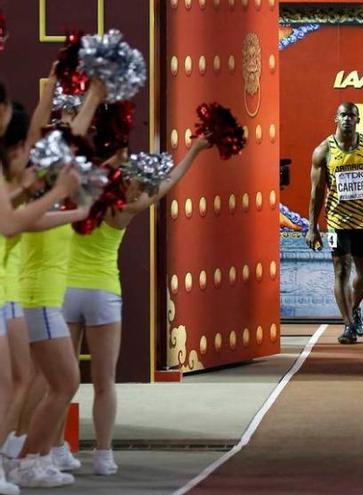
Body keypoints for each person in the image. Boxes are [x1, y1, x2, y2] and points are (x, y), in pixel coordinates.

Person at [58, 136, 211, 475]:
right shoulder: (128, 208)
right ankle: (102, 455)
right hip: (103, 294)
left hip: (65, 293)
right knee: (104, 381)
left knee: (61, 382)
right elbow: (170, 182)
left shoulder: (81, 195)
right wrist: (195, 151)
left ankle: (56, 449)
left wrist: (110, 159)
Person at [6, 80, 106, 488]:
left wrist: (95, 99)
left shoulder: (39, 192)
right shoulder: (23, 192)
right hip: (32, 296)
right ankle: (26, 458)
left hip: (37, 297)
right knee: (54, 382)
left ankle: (33, 456)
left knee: (38, 382)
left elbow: (70, 142)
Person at [307, 103, 363, 344]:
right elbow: (317, 191)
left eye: (352, 115)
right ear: (336, 117)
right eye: (343, 115)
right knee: (342, 270)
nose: (347, 119)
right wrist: (313, 227)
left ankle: (353, 307)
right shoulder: (323, 151)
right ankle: (348, 325)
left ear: (358, 119)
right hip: (337, 220)